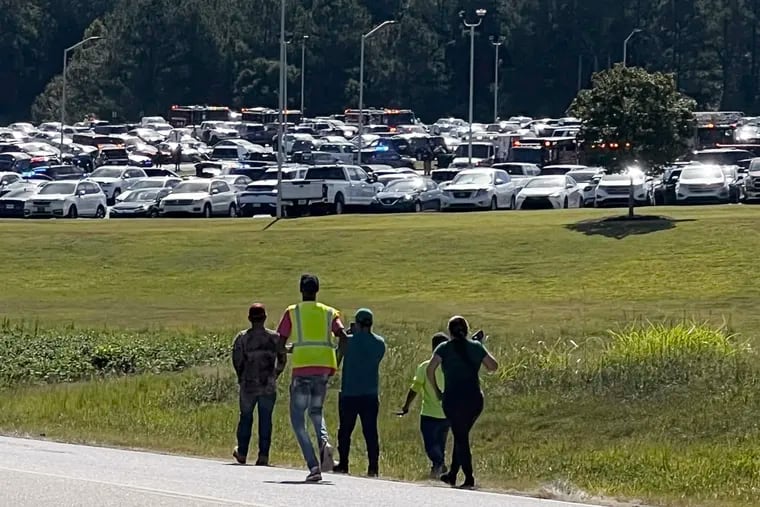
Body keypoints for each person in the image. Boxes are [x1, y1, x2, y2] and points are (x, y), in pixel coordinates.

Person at [277, 274, 349, 482]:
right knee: (316, 411)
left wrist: (291, 349)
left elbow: (280, 343)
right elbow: (343, 337)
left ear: (301, 290)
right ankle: (324, 442)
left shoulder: (293, 312)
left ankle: (313, 465)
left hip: (302, 369)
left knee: (298, 420)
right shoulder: (329, 312)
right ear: (317, 290)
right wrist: (337, 359)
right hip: (324, 368)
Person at [427, 316, 498, 490]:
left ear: (450, 332)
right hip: (474, 399)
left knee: (461, 437)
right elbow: (493, 366)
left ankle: (468, 478)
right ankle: (452, 474)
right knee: (461, 435)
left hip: (453, 399)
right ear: (466, 330)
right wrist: (479, 348)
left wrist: (437, 391)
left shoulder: (443, 348)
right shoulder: (476, 347)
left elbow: (430, 369)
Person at [231, 303, 287, 466]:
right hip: (268, 385)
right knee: (266, 420)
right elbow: (282, 360)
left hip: (248, 385)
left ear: (249, 318)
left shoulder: (242, 338)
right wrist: (274, 374)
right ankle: (263, 455)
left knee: (246, 418)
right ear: (265, 318)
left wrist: (242, 376)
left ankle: (242, 452)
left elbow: (237, 361)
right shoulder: (275, 338)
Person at [333, 309, 386, 477]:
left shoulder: (348, 342)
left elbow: (336, 359)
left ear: (357, 323)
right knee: (370, 432)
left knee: (345, 431)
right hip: (370, 393)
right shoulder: (379, 343)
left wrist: (348, 337)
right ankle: (373, 467)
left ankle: (343, 464)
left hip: (350, 393)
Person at [398, 332, 450, 477]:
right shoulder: (451, 367)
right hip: (447, 414)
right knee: (440, 443)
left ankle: (439, 463)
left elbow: (414, 389)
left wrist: (406, 406)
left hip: (429, 414)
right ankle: (438, 467)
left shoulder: (425, 367)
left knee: (430, 445)